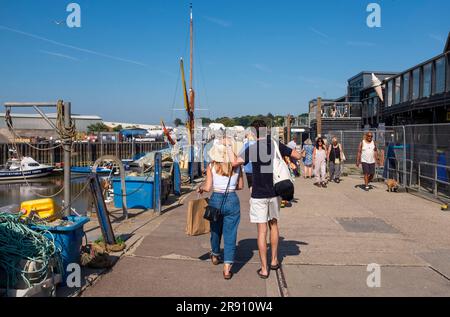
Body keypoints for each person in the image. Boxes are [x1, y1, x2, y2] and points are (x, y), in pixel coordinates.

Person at [232, 120, 301, 279]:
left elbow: (236, 162)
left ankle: (264, 269)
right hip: (275, 192)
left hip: (258, 194)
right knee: (274, 225)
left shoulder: (252, 148)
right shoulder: (275, 144)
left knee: (261, 231)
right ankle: (275, 260)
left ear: (254, 133)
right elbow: (296, 155)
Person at [198, 143, 244, 280]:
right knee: (230, 234)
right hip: (232, 199)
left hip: (216, 199)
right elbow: (240, 186)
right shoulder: (237, 167)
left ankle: (215, 254)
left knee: (215, 230)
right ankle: (227, 268)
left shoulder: (211, 166)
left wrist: (201, 188)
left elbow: (207, 187)